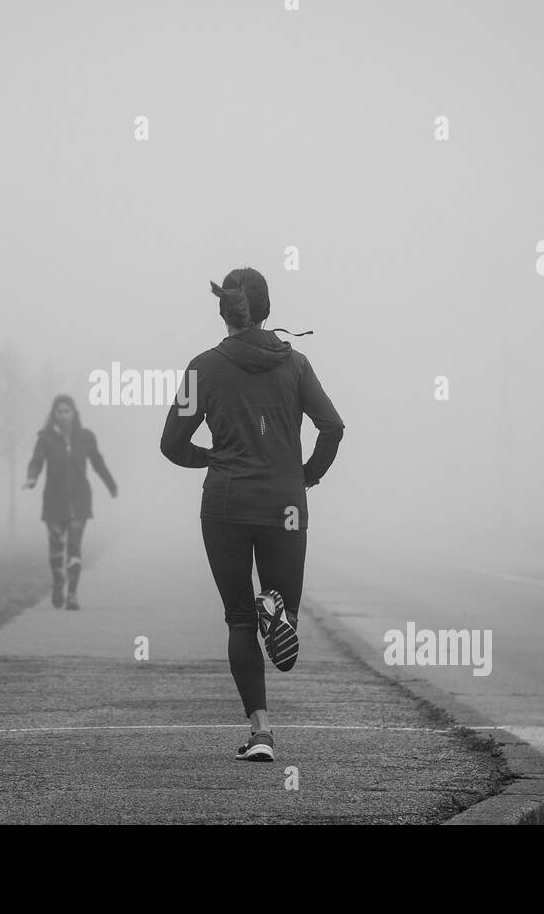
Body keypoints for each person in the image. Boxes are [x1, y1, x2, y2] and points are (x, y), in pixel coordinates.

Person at [160, 268, 344, 762]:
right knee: (284, 607)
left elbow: (170, 445)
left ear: (224, 312)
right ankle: (277, 609)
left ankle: (260, 732)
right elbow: (332, 427)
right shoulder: (297, 365)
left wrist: (213, 458)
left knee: (238, 621)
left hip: (225, 505)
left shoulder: (203, 368)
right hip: (285, 504)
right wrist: (305, 476)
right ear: (267, 310)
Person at [23, 394, 117, 610]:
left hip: (80, 500)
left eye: (67, 410)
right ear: (53, 415)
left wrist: (111, 485)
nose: (63, 414)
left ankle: (72, 595)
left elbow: (97, 462)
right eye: (59, 411)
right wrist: (31, 478)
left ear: (74, 413)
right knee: (56, 549)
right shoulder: (45, 438)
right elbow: (36, 462)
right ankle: (58, 584)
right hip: (54, 501)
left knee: (74, 548)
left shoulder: (85, 437)